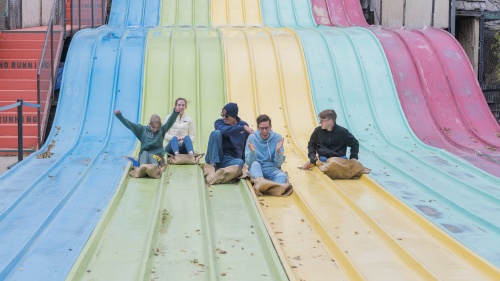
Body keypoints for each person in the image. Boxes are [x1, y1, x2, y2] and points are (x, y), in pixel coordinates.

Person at [115, 108, 179, 169]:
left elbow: (170, 122)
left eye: (157, 128)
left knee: (152, 156)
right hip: (144, 154)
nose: (155, 129)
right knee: (144, 154)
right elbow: (130, 125)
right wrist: (119, 116)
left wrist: (175, 112)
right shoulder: (142, 129)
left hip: (157, 156)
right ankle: (142, 167)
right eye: (153, 127)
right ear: (149, 124)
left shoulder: (161, 130)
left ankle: (154, 167)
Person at [205, 102, 254, 170]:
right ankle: (213, 165)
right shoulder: (219, 122)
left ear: (234, 116)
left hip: (230, 160)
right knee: (216, 133)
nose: (224, 118)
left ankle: (222, 170)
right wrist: (242, 128)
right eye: (223, 115)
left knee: (240, 162)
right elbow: (224, 131)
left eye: (227, 116)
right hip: (218, 155)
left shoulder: (243, 125)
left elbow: (245, 145)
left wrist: (244, 162)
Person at [245, 114, 287, 183]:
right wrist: (252, 152)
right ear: (258, 127)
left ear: (270, 126)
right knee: (255, 164)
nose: (264, 131)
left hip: (272, 168)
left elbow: (278, 164)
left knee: (282, 176)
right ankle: (262, 182)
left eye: (267, 128)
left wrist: (278, 151)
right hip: (257, 168)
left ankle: (270, 186)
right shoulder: (252, 138)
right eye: (262, 128)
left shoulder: (277, 138)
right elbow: (249, 163)